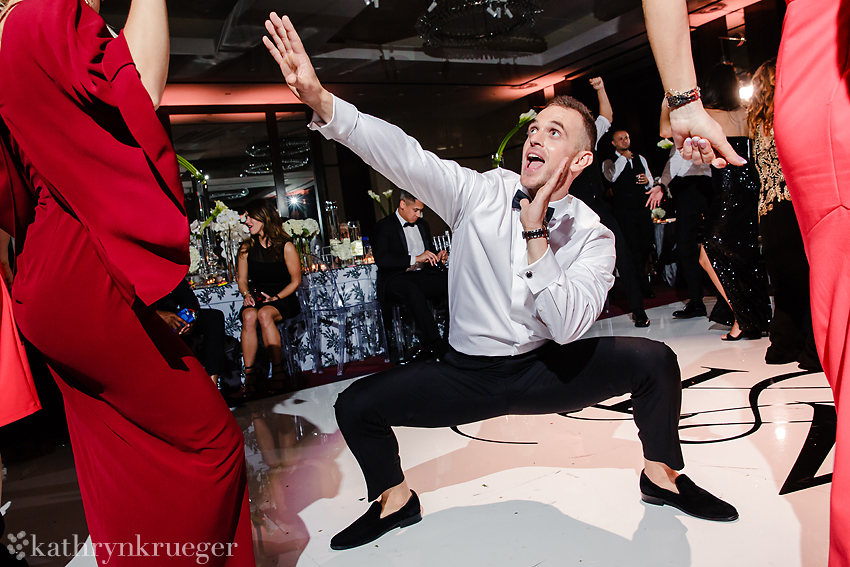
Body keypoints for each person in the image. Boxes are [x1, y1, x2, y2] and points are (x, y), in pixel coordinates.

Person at [263, 12, 738, 552]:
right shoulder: (479, 193)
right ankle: (395, 499)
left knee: (654, 362)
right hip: (465, 375)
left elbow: (564, 328)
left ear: (582, 159)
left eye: (553, 132)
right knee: (354, 406)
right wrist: (321, 100)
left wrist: (535, 232)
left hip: (545, 368)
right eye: (534, 128)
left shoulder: (592, 235)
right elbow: (399, 153)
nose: (534, 137)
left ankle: (662, 477)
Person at [0, 0, 255, 564]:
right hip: (83, 267)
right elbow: (138, 93)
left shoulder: (8, 34)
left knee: (118, 457)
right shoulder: (43, 15)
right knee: (211, 442)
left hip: (47, 276)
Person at [642, 1, 847, 562]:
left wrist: (684, 99)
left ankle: (756, 320)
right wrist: (682, 100)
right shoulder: (766, 110)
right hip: (826, 113)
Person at [747, 60, 819, 370]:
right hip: (794, 205)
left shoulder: (756, 124)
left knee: (786, 285)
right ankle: (814, 349)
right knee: (809, 280)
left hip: (768, 211)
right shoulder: (791, 116)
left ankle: (784, 346)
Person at [570, 78, 652, 327]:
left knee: (623, 256)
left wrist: (601, 89)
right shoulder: (561, 149)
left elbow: (607, 114)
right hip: (575, 213)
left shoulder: (590, 139)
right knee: (574, 263)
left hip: (600, 211)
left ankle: (638, 310)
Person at [697, 64, 771, 340]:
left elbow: (665, 129)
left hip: (727, 191)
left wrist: (672, 98)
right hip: (751, 188)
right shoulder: (747, 115)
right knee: (747, 254)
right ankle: (754, 315)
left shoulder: (708, 115)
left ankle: (743, 317)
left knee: (708, 254)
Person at [371, 189, 449, 361]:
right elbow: (382, 259)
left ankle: (451, 339)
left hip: (421, 274)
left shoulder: (423, 225)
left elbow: (427, 252)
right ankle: (436, 345)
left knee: (450, 284)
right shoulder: (383, 226)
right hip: (395, 278)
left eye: (421, 210)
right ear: (402, 204)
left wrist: (437, 256)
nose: (419, 215)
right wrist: (415, 258)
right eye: (416, 210)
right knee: (412, 290)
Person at [237, 198, 302, 394]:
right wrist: (246, 293)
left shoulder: (285, 246)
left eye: (250, 217)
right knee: (249, 316)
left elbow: (296, 281)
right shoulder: (246, 248)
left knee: (265, 314)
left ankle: (278, 371)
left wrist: (277, 297)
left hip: (283, 297)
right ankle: (249, 375)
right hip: (257, 296)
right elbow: (241, 280)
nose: (246, 221)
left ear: (264, 218)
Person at [656, 146, 713, 320]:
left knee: (718, 242)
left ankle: (730, 299)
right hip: (688, 187)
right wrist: (662, 185)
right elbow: (673, 162)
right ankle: (696, 302)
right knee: (685, 245)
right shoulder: (679, 138)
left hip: (711, 184)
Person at [602, 130, 658, 302]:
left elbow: (650, 181)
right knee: (632, 248)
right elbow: (611, 177)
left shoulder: (640, 158)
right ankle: (641, 286)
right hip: (623, 211)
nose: (625, 141)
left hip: (641, 209)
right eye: (620, 139)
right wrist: (623, 159)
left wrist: (648, 182)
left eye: (627, 137)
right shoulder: (609, 161)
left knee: (646, 245)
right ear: (613, 143)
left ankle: (641, 280)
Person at [156, 279, 229, 386]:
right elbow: (129, 307)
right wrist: (159, 316)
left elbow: (189, 300)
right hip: (147, 319)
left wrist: (190, 320)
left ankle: (213, 386)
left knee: (214, 317)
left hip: (174, 316)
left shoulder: (168, 270)